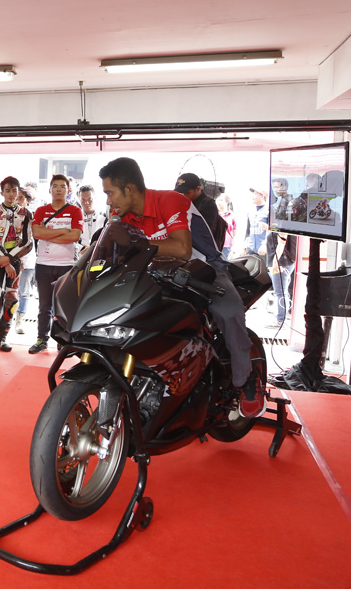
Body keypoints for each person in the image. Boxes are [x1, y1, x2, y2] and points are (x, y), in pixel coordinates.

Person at [99, 157, 263, 418]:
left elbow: (182, 249)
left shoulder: (170, 201)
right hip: (158, 273)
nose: (108, 200)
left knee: (228, 310)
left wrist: (132, 243)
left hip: (204, 268)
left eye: (110, 192)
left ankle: (247, 380)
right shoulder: (124, 216)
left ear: (129, 189)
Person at [28, 174, 82, 354]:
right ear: (50, 189)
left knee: (64, 306)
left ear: (68, 190)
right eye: (55, 186)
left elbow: (74, 236)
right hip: (43, 263)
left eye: (62, 186)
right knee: (44, 306)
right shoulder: (41, 210)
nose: (59, 189)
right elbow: (36, 233)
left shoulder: (75, 210)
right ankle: (41, 340)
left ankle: (63, 342)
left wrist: (48, 232)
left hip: (67, 265)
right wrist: (63, 231)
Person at [0, 176, 33, 353]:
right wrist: (3, 259)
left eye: (14, 190)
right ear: (1, 192)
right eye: (8, 190)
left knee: (12, 300)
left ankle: (1, 338)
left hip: (15, 262)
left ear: (19, 192)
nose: (11, 194)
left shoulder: (26, 213)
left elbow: (28, 243)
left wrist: (9, 259)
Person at [175, 173, 227, 251]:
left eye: (187, 193)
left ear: (198, 189)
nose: (184, 196)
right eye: (181, 193)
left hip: (201, 251)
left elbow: (205, 232)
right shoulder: (182, 202)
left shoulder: (208, 205)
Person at [15, 187, 38, 335]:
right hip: (10, 259)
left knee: (24, 292)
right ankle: (3, 318)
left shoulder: (33, 217)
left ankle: (20, 319)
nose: (18, 200)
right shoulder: (8, 215)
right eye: (16, 197)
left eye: (21, 198)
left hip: (28, 260)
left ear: (28, 201)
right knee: (8, 290)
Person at [77, 184, 108, 250]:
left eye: (90, 199)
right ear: (79, 200)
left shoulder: (104, 217)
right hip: (80, 255)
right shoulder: (75, 217)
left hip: (98, 253)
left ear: (95, 197)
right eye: (83, 200)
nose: (87, 202)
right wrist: (82, 248)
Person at [243, 187, 269, 257]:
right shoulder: (251, 211)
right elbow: (248, 230)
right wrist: (245, 246)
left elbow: (272, 232)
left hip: (263, 249)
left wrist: (265, 244)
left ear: (262, 196)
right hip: (251, 248)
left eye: (255, 194)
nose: (252, 197)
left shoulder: (269, 211)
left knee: (263, 267)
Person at [216, 194, 237, 259]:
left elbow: (234, 233)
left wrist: (234, 249)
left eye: (221, 200)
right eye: (218, 200)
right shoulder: (215, 214)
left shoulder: (232, 215)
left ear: (227, 202)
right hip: (216, 245)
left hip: (227, 247)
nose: (219, 202)